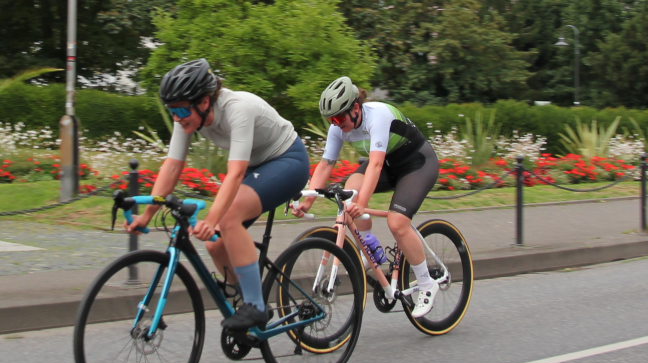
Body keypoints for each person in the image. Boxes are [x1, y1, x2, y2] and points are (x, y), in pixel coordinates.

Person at [126, 58, 310, 331]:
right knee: (214, 243)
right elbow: (172, 166)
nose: (176, 117)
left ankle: (257, 307)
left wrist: (213, 218)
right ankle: (242, 299)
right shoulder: (187, 115)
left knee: (227, 219)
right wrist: (147, 214)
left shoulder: (238, 108)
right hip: (257, 167)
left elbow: (235, 174)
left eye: (179, 110)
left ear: (203, 102)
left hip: (287, 160)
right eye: (171, 110)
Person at [292, 76, 439, 318]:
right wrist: (307, 201)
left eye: (339, 118)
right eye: (331, 120)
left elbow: (376, 165)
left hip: (416, 164)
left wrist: (362, 204)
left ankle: (426, 284)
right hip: (388, 165)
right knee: (349, 191)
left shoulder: (378, 116)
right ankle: (371, 246)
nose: (336, 124)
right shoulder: (338, 129)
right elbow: (326, 165)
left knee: (397, 223)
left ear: (356, 109)